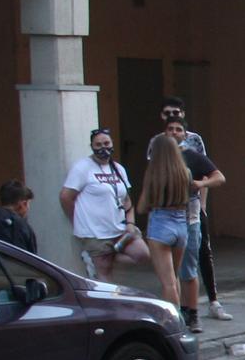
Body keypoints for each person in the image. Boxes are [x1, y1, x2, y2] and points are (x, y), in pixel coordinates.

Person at [161, 97, 232, 321]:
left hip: (191, 210)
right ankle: (177, 313)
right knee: (172, 265)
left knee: (199, 254)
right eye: (167, 115)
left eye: (176, 115)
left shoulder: (193, 145)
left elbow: (209, 172)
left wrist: (202, 201)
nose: (173, 128)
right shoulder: (157, 144)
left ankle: (210, 302)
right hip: (167, 214)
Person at [61, 128, 149, 279]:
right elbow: (66, 197)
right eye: (98, 144)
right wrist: (76, 220)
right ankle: (105, 293)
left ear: (112, 143)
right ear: (92, 146)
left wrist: (130, 223)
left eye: (106, 143)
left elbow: (126, 199)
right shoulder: (82, 168)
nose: (103, 148)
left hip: (119, 229)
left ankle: (104, 257)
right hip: (95, 232)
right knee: (105, 273)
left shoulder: (118, 169)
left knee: (143, 255)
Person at [134, 133, 196, 313]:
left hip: (160, 224)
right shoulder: (186, 172)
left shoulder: (153, 173)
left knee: (167, 283)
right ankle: (180, 319)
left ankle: (174, 324)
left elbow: (142, 207)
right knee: (174, 276)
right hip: (181, 224)